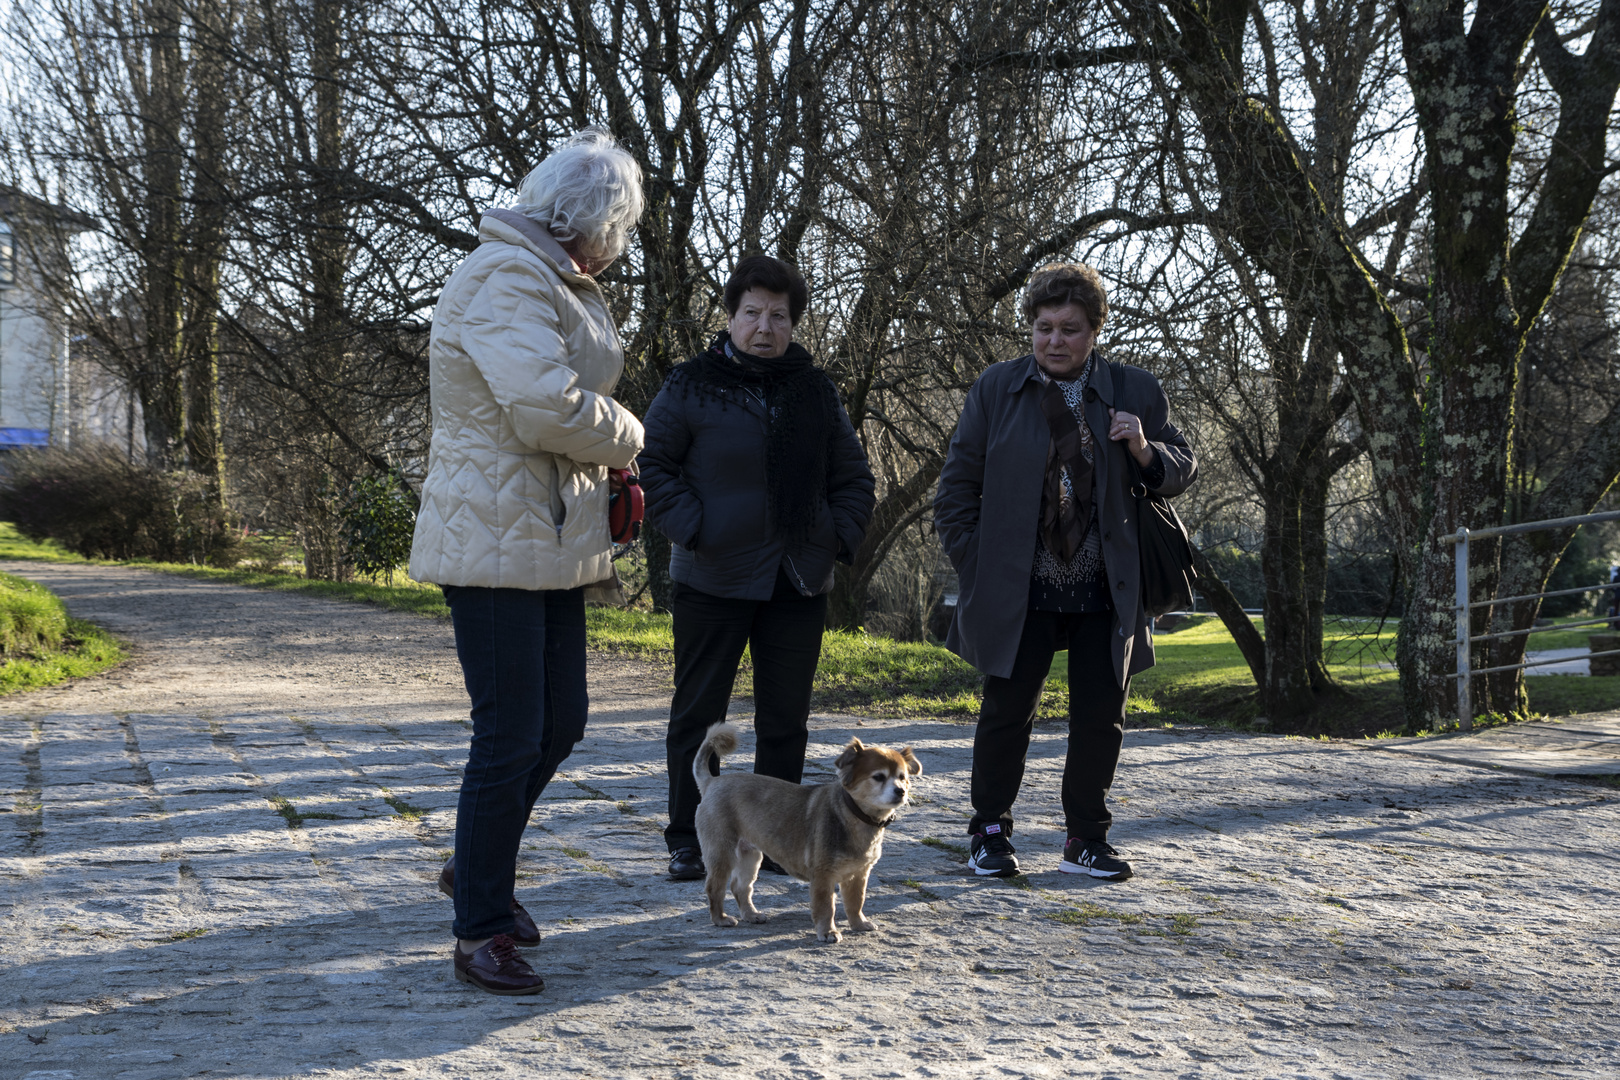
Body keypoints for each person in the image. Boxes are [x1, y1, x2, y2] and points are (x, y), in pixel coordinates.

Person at [407, 129, 646, 995]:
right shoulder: (508, 276)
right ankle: (479, 927)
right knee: (510, 736)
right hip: (494, 538)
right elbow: (545, 407)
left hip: (546, 534)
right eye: (622, 226)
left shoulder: (548, 276)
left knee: (559, 723)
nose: (619, 247)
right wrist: (631, 432)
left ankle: (478, 865)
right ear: (598, 220)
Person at [933, 263, 1196, 882]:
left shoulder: (1134, 388)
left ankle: (1086, 839)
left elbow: (1182, 467)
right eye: (1043, 327)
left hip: (1108, 590)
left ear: (1095, 331)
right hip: (1019, 590)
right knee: (1006, 712)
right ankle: (990, 832)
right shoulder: (996, 389)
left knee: (1100, 719)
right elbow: (956, 490)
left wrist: (1142, 448)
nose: (1055, 341)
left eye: (1070, 329)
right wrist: (979, 562)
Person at [639, 255, 876, 881]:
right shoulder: (690, 384)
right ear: (731, 316)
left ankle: (777, 840)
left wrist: (835, 538)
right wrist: (695, 528)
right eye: (752, 314)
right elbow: (653, 465)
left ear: (793, 323)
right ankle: (687, 837)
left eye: (778, 315)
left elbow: (854, 478)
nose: (764, 327)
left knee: (785, 719)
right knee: (697, 714)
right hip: (712, 575)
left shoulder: (816, 391)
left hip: (797, 579)